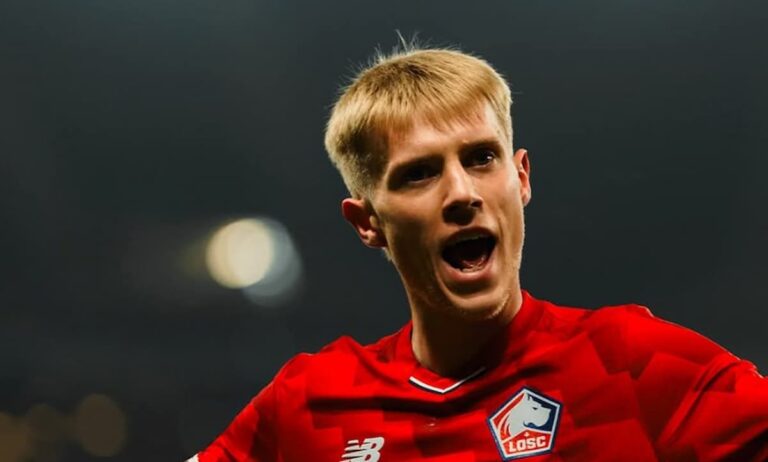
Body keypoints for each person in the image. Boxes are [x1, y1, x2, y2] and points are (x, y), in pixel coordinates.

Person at [188, 46, 768, 461]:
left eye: (481, 158)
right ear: (368, 223)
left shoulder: (635, 366)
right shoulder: (310, 404)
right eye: (419, 173)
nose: (462, 193)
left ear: (521, 178)